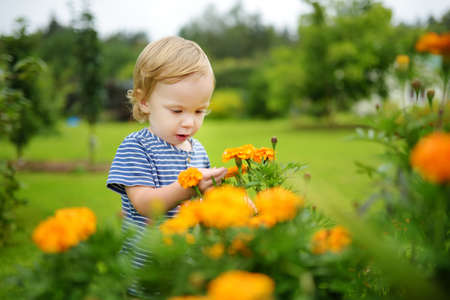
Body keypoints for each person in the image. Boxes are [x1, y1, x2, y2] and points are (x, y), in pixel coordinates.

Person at [106, 36, 227, 296]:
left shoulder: (198, 151)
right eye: (177, 111)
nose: (189, 123)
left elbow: (202, 206)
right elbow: (145, 204)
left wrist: (227, 202)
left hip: (185, 269)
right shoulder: (136, 147)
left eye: (199, 112)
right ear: (145, 101)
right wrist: (187, 188)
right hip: (145, 271)